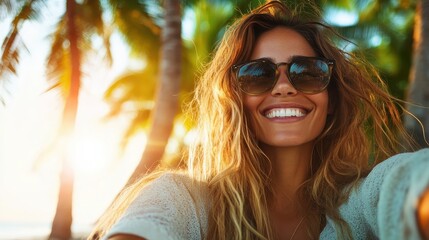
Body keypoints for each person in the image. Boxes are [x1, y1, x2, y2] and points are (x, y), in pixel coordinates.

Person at [89, 1, 429, 239]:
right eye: (257, 74)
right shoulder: (187, 201)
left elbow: (406, 183)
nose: (283, 86)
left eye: (307, 72)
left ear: (332, 100)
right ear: (235, 100)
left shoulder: (360, 202)